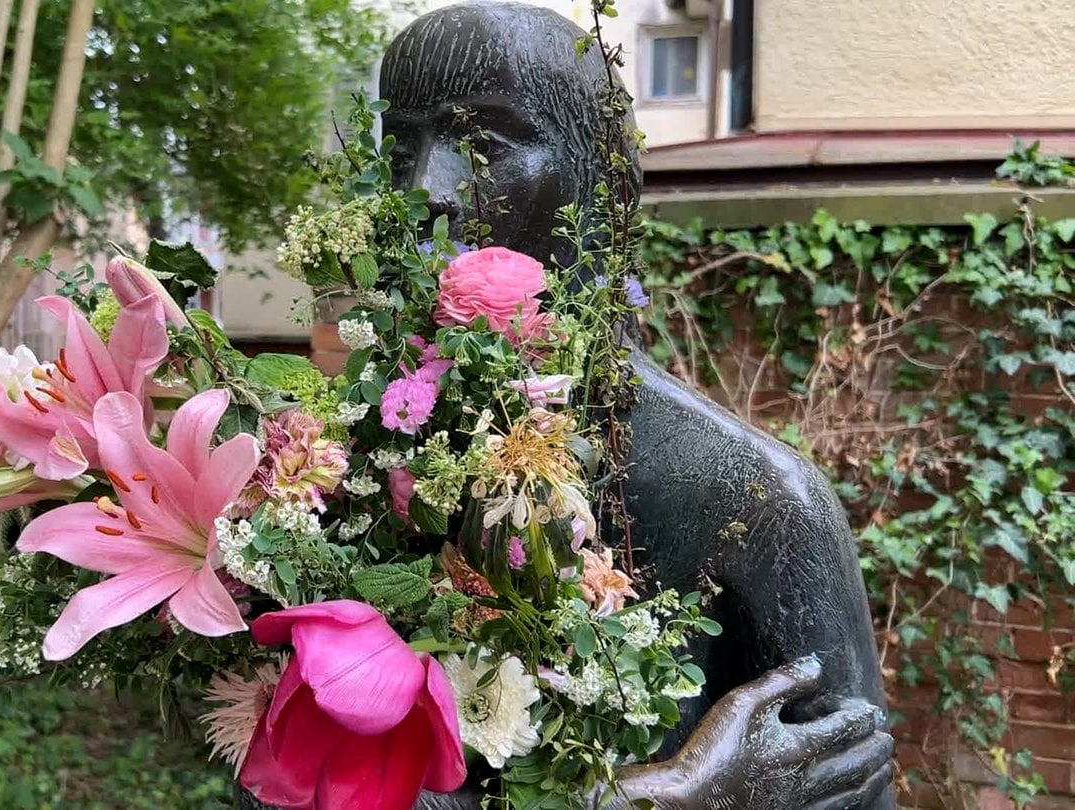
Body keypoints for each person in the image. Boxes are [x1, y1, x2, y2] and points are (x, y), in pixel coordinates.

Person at [375, 3, 896, 807]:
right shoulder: (339, 466)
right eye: (399, 148)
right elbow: (280, 780)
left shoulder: (757, 503)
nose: (425, 192)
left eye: (484, 143)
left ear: (609, 188)